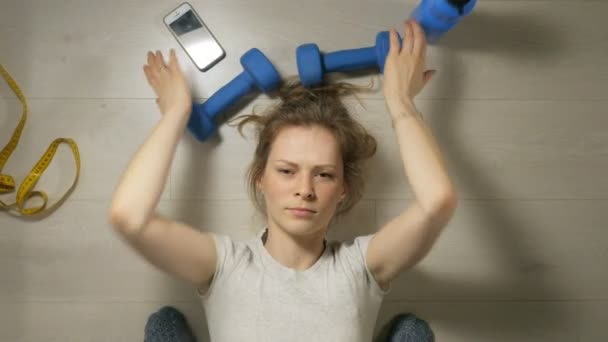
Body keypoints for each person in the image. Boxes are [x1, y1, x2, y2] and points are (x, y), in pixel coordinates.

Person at [109, 19, 457, 342]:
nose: (304, 190)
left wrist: (402, 103)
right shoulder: (226, 264)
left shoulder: (361, 267)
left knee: (413, 332)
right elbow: (130, 218)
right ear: (260, 177)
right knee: (162, 325)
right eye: (287, 171)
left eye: (323, 174)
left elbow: (436, 202)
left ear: (342, 190)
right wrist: (175, 114)